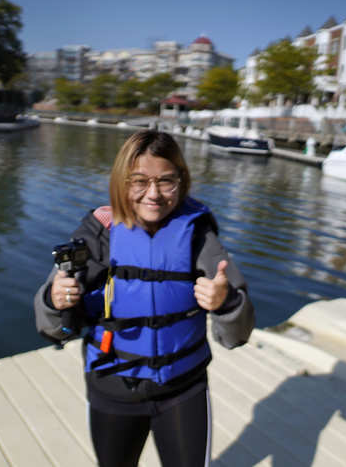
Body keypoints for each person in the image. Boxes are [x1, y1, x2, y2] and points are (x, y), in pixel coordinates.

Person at [34, 130, 254, 467]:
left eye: (166, 181)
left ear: (182, 181)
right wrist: (55, 301)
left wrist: (226, 303)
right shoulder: (97, 235)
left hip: (184, 389)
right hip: (113, 390)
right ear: (121, 181)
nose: (153, 195)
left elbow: (236, 336)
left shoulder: (198, 235)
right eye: (139, 181)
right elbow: (54, 331)